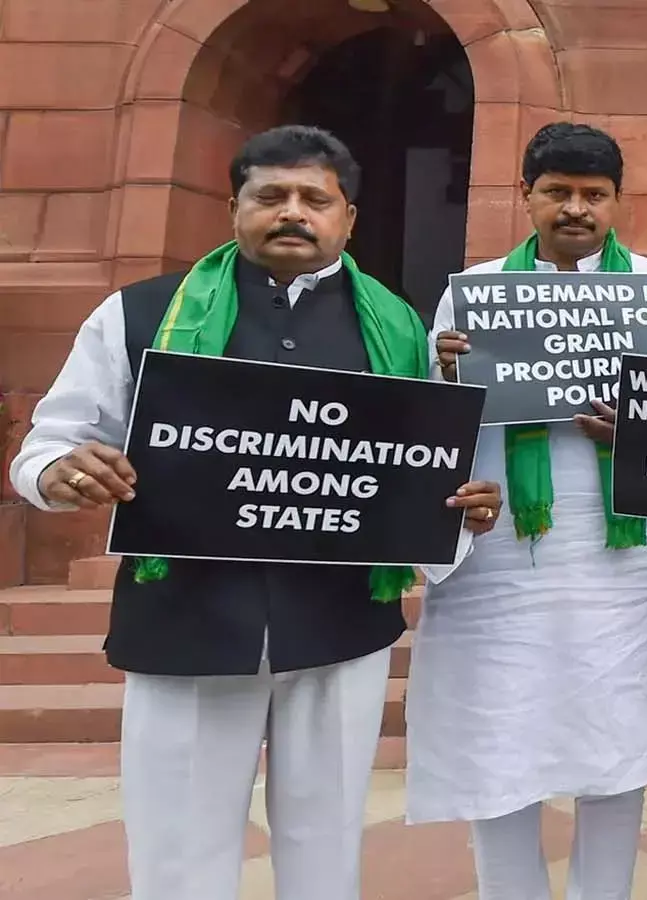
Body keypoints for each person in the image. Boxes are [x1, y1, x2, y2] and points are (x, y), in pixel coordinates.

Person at [7, 124, 501, 900]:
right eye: (270, 196)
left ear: (348, 218)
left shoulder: (403, 328)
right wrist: (59, 471)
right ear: (233, 208)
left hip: (342, 627)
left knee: (326, 846)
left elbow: (423, 471)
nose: (292, 212)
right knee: (179, 851)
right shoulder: (140, 313)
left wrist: (459, 512)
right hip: (186, 621)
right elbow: (51, 443)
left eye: (314, 199)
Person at [405, 121, 647, 900]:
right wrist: (445, 374)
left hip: (627, 561)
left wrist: (640, 428)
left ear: (617, 201)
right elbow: (427, 428)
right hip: (502, 556)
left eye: (593, 194)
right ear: (527, 195)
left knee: (620, 736)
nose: (576, 208)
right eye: (558, 192)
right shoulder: (473, 294)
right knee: (498, 738)